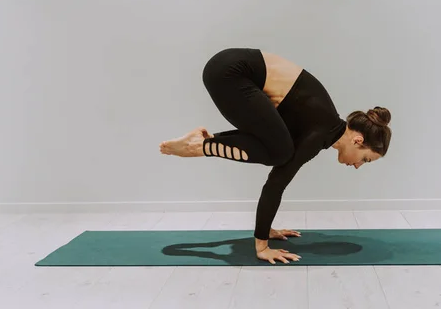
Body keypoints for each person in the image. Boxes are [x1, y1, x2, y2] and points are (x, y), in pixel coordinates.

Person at [159, 48, 392, 264]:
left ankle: (202, 141)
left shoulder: (320, 124)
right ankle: (200, 145)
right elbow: (276, 183)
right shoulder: (320, 130)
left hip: (225, 69)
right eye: (365, 159)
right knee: (281, 153)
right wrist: (263, 245)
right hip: (230, 74)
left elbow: (262, 138)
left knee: (279, 147)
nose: (359, 165)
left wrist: (267, 229)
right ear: (358, 140)